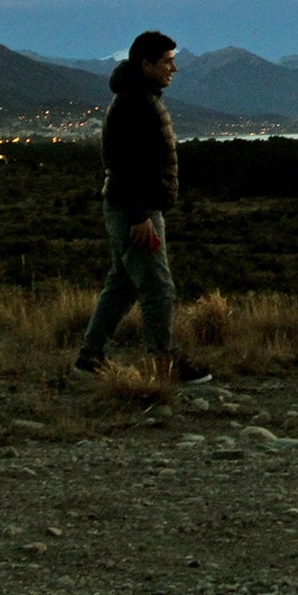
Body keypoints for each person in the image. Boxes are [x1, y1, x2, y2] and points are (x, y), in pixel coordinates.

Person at [75, 31, 211, 383]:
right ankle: (165, 362)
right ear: (146, 64)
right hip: (135, 210)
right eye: (167, 61)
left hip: (132, 208)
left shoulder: (138, 98)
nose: (174, 68)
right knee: (158, 287)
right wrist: (139, 216)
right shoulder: (135, 103)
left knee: (122, 284)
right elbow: (123, 163)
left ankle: (89, 357)